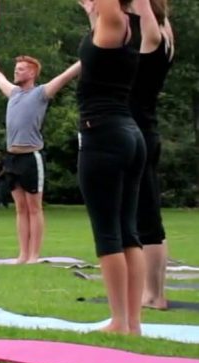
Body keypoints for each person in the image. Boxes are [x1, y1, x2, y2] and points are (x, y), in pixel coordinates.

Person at [76, 0, 158, 334]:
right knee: (128, 232)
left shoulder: (113, 23)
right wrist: (90, 11)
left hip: (104, 136)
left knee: (108, 232)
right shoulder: (127, 26)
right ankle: (132, 323)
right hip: (129, 135)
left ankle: (119, 321)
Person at [0, 55, 81, 263]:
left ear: (32, 73)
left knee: (34, 208)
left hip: (31, 157)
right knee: (20, 208)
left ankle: (34, 255)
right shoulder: (14, 93)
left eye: (21, 69)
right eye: (16, 68)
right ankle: (23, 254)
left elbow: (65, 77)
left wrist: (89, 56)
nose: (16, 72)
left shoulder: (40, 93)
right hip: (12, 158)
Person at [130, 0, 175, 310]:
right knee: (148, 217)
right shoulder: (164, 33)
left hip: (140, 134)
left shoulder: (153, 39)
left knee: (147, 220)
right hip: (145, 131)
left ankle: (154, 295)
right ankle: (153, 291)